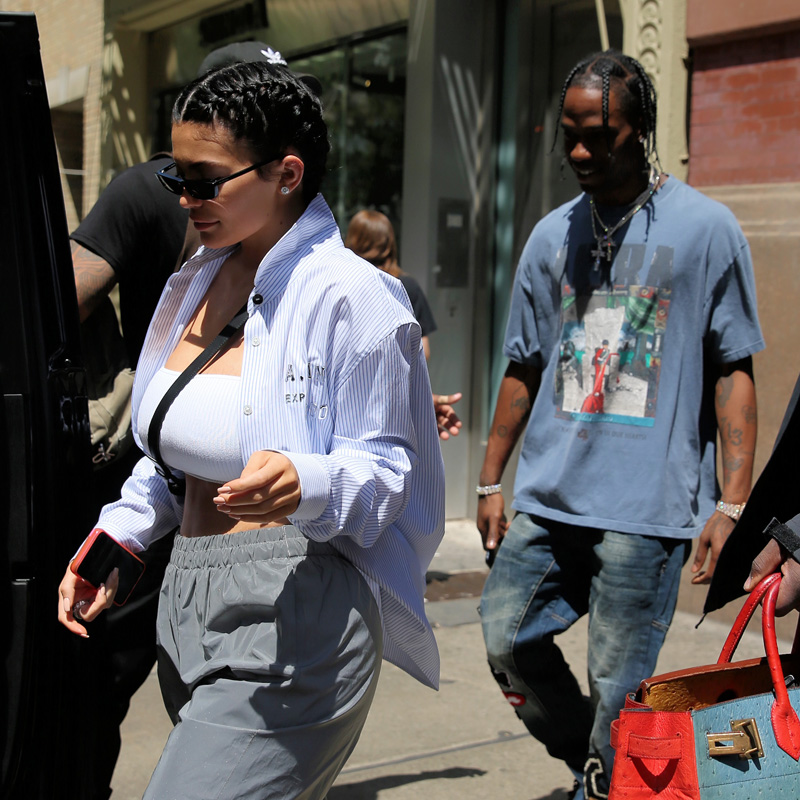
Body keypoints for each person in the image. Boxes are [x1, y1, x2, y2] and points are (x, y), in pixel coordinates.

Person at [58, 59, 445, 799]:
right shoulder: (195, 279)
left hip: (300, 611)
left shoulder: (357, 297)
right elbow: (170, 453)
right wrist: (122, 536)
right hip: (189, 603)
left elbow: (389, 473)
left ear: (287, 173)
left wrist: (309, 479)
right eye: (176, 175)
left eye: (206, 180)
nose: (185, 198)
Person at [476, 50, 764, 800]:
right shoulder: (550, 236)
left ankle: (606, 785)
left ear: (642, 131)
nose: (579, 151)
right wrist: (488, 479)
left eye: (598, 135)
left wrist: (733, 501)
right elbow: (523, 365)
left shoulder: (707, 229)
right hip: (549, 496)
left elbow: (735, 367)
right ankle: (594, 763)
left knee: (621, 682)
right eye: (569, 133)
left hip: (648, 510)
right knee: (506, 638)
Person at [345, 209, 463, 439]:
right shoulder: (406, 286)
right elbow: (423, 351)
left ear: (353, 240)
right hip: (396, 402)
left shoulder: (343, 284)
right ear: (389, 243)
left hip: (350, 404)